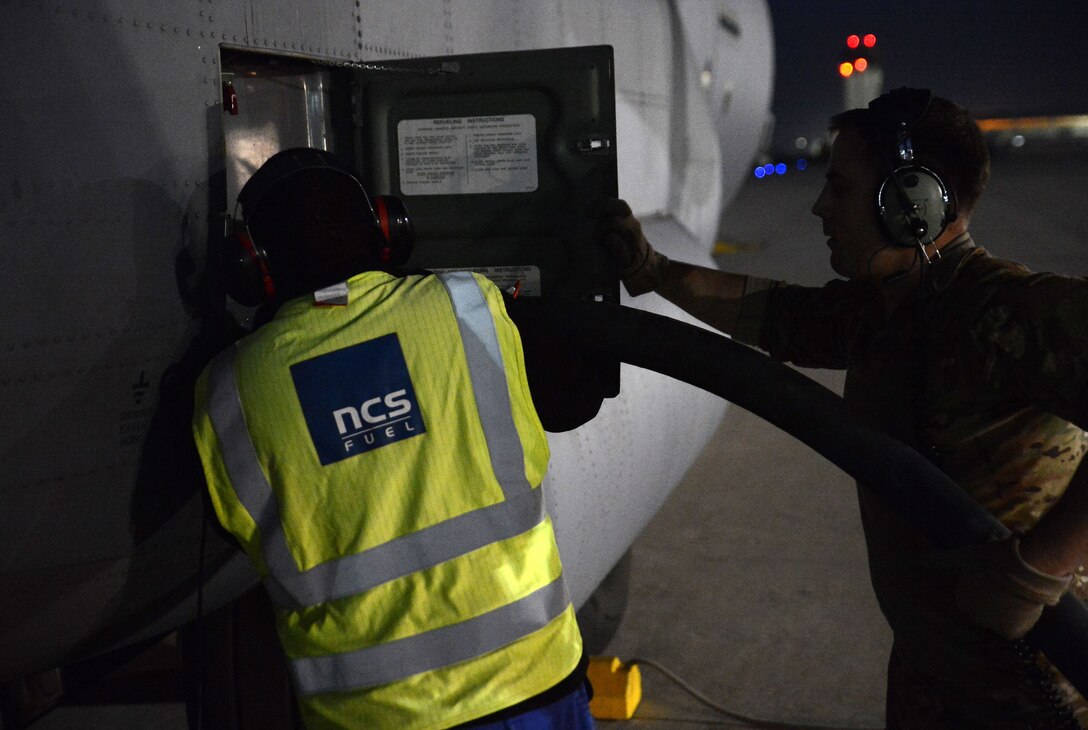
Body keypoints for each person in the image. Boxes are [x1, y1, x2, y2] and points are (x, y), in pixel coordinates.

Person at [597, 88, 1088, 728]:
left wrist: (1036, 569)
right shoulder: (882, 312)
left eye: (842, 187)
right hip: (930, 678)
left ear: (911, 204)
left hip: (1033, 690)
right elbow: (764, 311)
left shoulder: (1004, 310)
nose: (820, 207)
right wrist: (653, 269)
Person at [191, 147, 596, 729]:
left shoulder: (226, 390)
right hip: (532, 686)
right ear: (386, 229)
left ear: (253, 265)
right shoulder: (468, 305)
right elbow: (574, 399)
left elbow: (231, 527)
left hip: (371, 717)